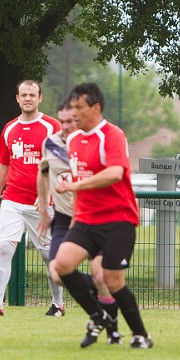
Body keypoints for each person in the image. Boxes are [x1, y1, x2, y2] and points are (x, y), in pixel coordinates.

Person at [53, 82, 152, 349]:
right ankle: (98, 316)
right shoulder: (73, 140)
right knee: (60, 266)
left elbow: (115, 173)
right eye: (72, 107)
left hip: (117, 220)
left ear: (95, 108)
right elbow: (79, 179)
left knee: (111, 280)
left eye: (79, 108)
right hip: (86, 219)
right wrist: (75, 216)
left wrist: (74, 185)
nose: (74, 114)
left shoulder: (112, 135)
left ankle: (141, 335)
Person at [36, 97, 122, 344]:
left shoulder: (96, 144)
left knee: (100, 275)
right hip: (64, 219)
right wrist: (44, 209)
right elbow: (43, 173)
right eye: (61, 121)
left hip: (97, 218)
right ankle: (100, 310)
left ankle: (112, 330)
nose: (65, 126)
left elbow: (115, 176)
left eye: (71, 121)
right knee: (57, 273)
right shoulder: (50, 144)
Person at [0, 80, 65, 317]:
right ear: (17, 98)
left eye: (32, 95)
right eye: (23, 95)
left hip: (42, 205)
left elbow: (61, 164)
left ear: (40, 98)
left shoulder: (52, 127)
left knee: (50, 256)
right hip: (12, 201)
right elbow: (3, 165)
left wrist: (46, 194)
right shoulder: (9, 129)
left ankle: (58, 304)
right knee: (4, 247)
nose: (28, 98)